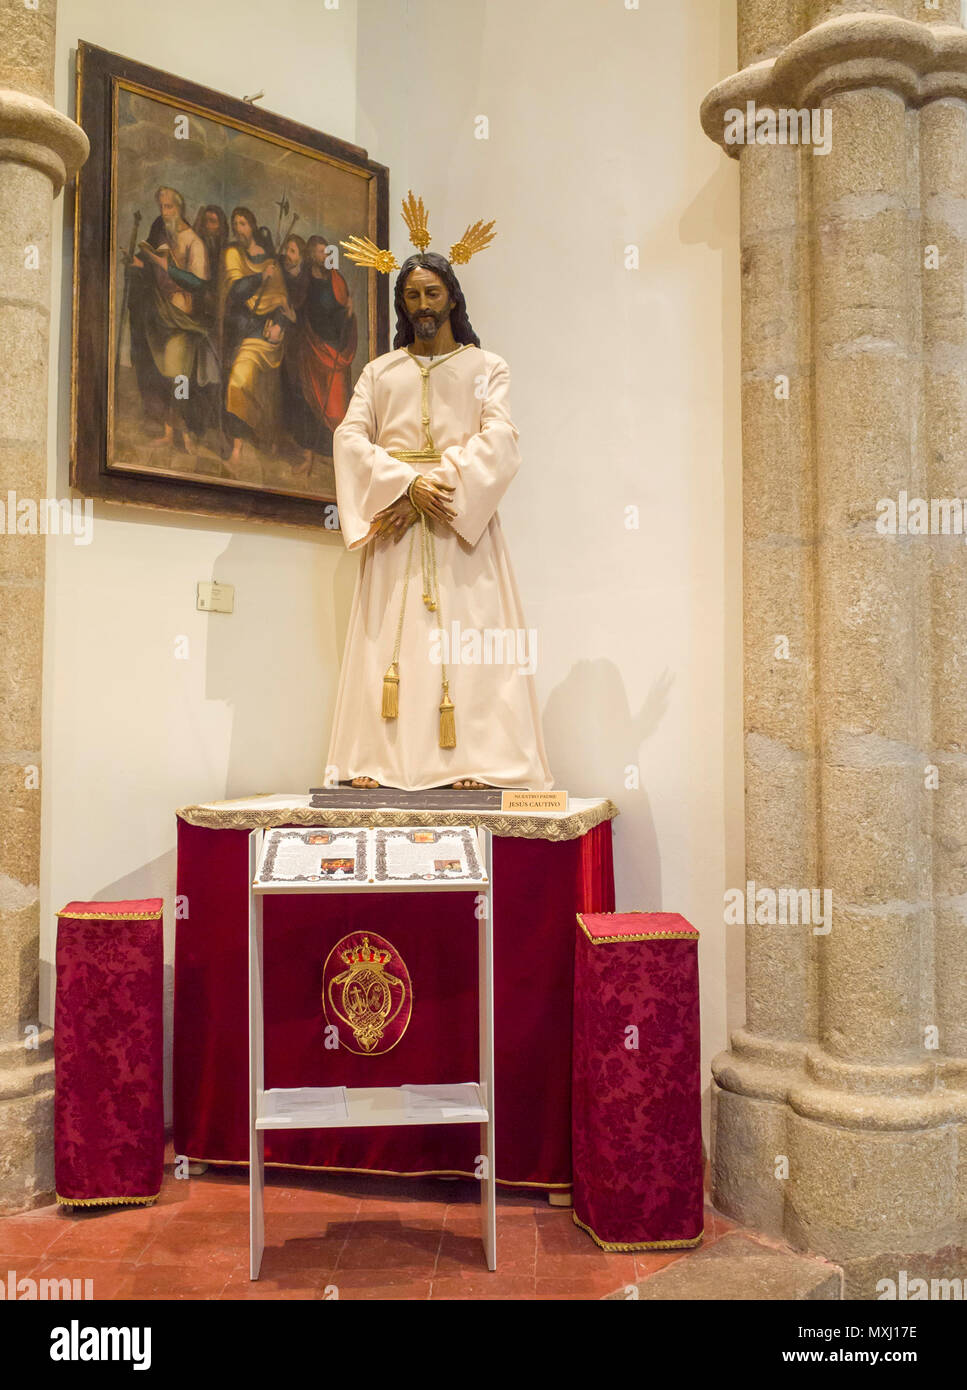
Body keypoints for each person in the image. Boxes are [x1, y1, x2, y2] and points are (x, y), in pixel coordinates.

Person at [326, 234, 552, 793]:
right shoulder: (379, 374)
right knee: (392, 642)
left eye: (432, 293)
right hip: (398, 528)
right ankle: (380, 763)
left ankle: (475, 763)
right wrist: (403, 490)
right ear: (402, 305)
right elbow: (349, 437)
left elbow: (501, 437)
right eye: (411, 297)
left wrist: (436, 488)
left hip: (458, 523)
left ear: (452, 297)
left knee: (469, 636)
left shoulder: (486, 366)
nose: (422, 306)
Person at [128, 186, 218, 450]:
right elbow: (156, 274)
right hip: (160, 314)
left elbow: (198, 283)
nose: (165, 212)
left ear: (180, 209)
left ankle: (185, 432)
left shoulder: (194, 242)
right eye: (162, 207)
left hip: (183, 318)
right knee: (167, 375)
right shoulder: (163, 235)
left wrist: (166, 266)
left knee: (177, 375)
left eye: (169, 207)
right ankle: (171, 431)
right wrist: (141, 265)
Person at [219, 207, 295, 471]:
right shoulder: (232, 254)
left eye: (243, 223)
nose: (239, 228)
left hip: (269, 333)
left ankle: (265, 437)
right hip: (244, 331)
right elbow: (236, 291)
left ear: (252, 225)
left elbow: (283, 301)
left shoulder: (270, 260)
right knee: (238, 382)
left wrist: (280, 326)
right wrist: (259, 277)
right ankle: (238, 448)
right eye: (235, 223)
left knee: (267, 389)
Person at [282, 234, 357, 475]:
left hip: (333, 352)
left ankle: (339, 459)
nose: (323, 256)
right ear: (311, 255)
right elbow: (299, 311)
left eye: (326, 252)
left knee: (336, 408)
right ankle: (308, 456)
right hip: (310, 349)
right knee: (308, 401)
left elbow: (344, 317)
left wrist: (348, 314)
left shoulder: (337, 281)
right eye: (319, 252)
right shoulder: (305, 282)